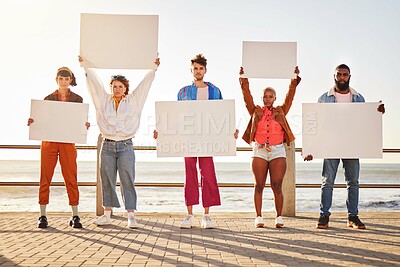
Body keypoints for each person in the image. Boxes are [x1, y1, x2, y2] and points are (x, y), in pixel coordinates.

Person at [79, 55, 160, 228]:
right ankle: (107, 214)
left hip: (125, 146)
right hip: (107, 145)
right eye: (114, 86)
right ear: (111, 88)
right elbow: (94, 84)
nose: (117, 89)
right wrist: (85, 66)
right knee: (106, 179)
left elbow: (144, 86)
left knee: (127, 180)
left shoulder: (133, 101)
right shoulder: (103, 100)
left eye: (120, 87)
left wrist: (153, 69)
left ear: (125, 88)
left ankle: (131, 215)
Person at [155, 54, 233, 229]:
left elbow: (222, 116)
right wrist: (162, 132)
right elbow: (175, 118)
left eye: (201, 68)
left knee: (208, 174)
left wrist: (230, 133)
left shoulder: (215, 91)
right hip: (188, 140)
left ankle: (206, 215)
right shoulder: (183, 92)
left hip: (208, 141)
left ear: (205, 70)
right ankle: (189, 214)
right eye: (195, 68)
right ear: (191, 70)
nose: (198, 71)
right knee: (189, 175)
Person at [315, 64, 385, 229]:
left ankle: (352, 217)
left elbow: (365, 122)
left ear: (349, 77)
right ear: (334, 76)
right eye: (339, 74)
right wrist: (314, 148)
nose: (342, 77)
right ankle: (324, 215)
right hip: (331, 145)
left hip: (352, 145)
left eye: (345, 75)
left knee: (353, 182)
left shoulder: (359, 98)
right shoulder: (324, 98)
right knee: (327, 182)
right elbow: (317, 124)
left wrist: (377, 113)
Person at [27, 66, 90, 229]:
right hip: (49, 141)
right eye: (60, 79)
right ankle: (42, 215)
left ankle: (75, 215)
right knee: (45, 177)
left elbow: (77, 122)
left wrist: (84, 125)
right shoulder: (48, 98)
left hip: (68, 142)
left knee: (71, 177)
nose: (63, 81)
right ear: (57, 80)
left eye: (66, 79)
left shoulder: (77, 99)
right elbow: (43, 119)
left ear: (70, 80)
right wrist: (34, 122)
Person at [239, 66, 301, 228]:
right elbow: (247, 98)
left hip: (277, 150)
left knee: (276, 185)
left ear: (274, 98)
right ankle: (259, 216)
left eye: (270, 96)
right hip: (259, 149)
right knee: (259, 185)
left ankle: (279, 217)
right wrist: (244, 79)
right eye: (265, 96)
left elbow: (290, 98)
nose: (267, 99)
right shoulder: (255, 111)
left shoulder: (281, 111)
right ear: (262, 98)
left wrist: (293, 81)